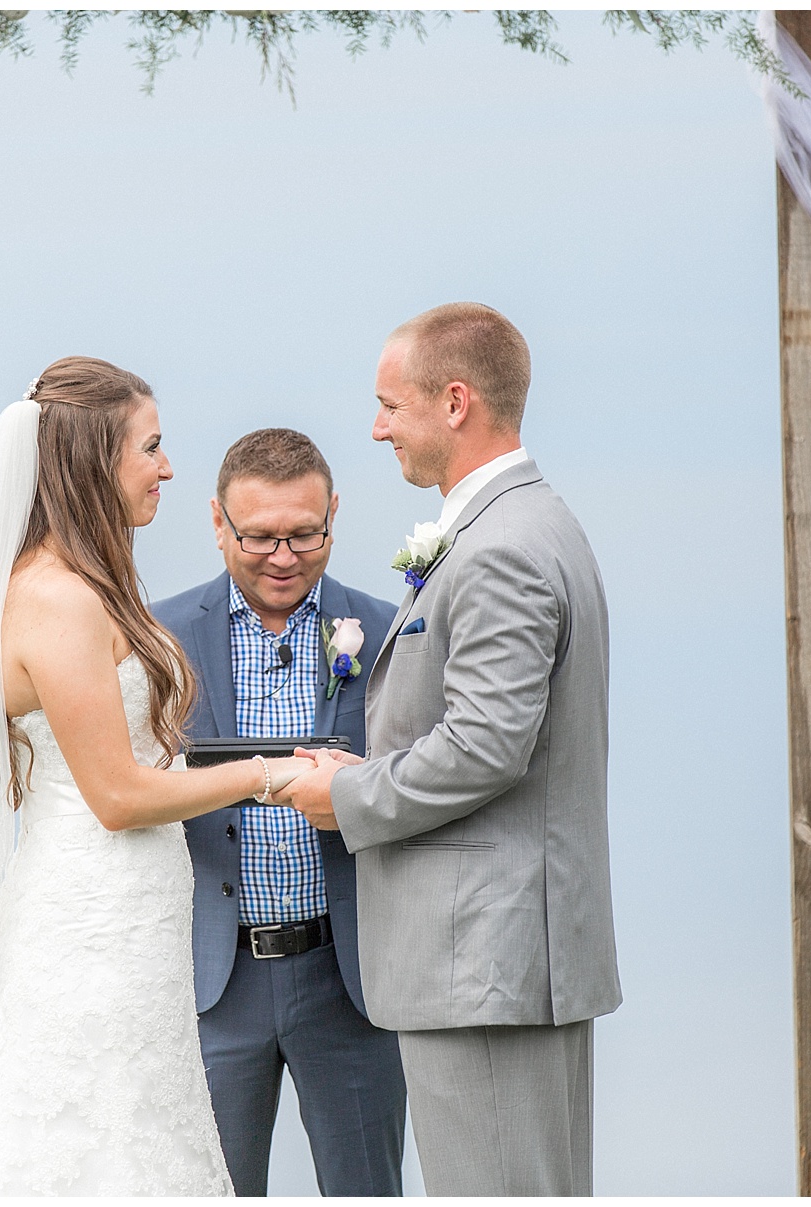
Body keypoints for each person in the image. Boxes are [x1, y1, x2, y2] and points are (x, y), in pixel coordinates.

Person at [0, 358, 313, 1195]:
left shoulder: (93, 584)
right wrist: (268, 774)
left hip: (138, 925)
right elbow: (119, 795)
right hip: (89, 925)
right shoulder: (57, 599)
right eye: (152, 447)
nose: (168, 467)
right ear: (97, 457)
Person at [279, 303, 621, 1196]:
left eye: (392, 403)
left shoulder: (501, 546)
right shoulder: (520, 524)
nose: (378, 425)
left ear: (457, 401)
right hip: (498, 956)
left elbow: (487, 742)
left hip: (486, 960)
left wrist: (346, 797)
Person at [151, 429, 405, 1196]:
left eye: (305, 534)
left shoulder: (391, 629)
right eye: (260, 536)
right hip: (212, 980)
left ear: (334, 514)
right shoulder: (159, 635)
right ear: (218, 522)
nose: (284, 556)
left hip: (351, 975)